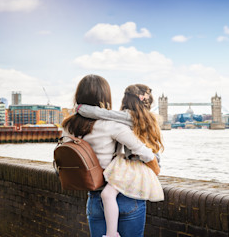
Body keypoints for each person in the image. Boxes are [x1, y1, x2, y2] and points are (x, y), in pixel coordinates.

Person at [62, 75, 162, 237]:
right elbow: (144, 153)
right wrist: (155, 170)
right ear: (104, 96)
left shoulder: (68, 125)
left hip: (94, 197)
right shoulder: (112, 125)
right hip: (126, 196)